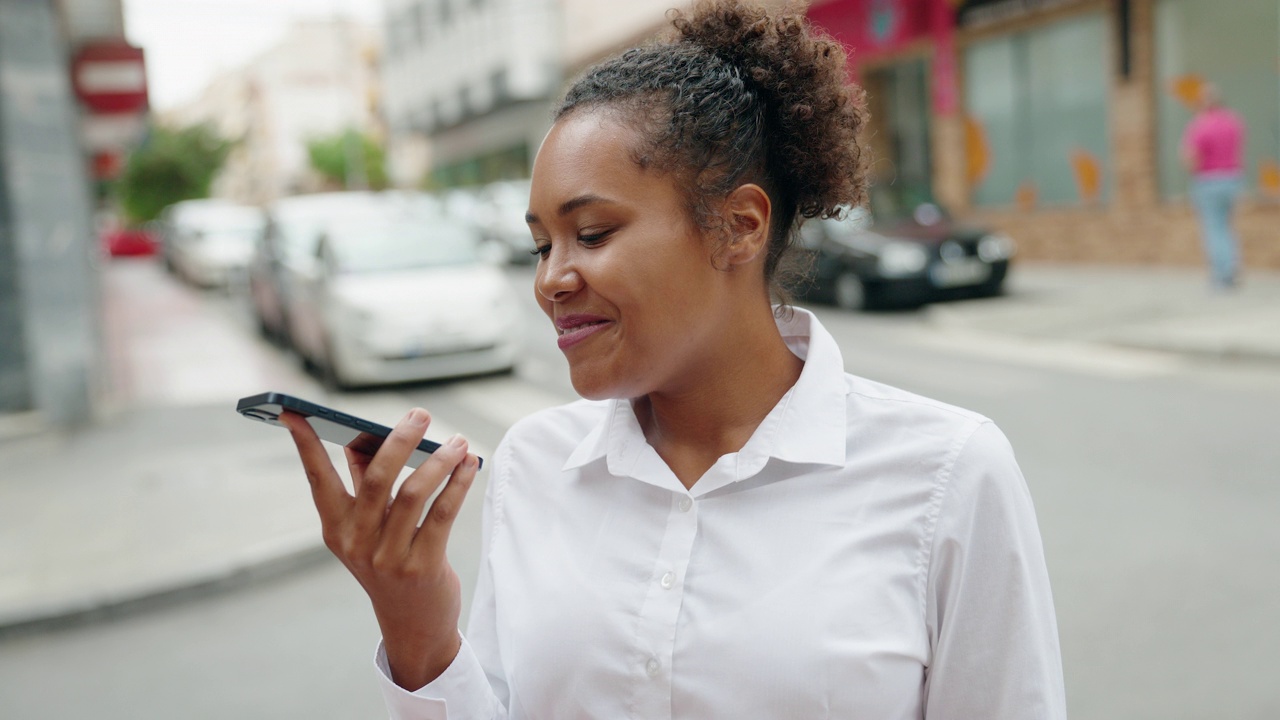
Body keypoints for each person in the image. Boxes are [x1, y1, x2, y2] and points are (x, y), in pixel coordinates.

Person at [280, 2, 1067, 717]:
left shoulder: (946, 474)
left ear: (739, 226)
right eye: (540, 244)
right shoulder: (534, 466)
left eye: (591, 234)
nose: (552, 279)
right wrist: (418, 634)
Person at [1181, 83, 1247, 290]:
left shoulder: (1201, 125)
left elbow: (1190, 157)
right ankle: (1232, 266)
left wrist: (1192, 171)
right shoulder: (1234, 121)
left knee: (1214, 228)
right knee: (1226, 226)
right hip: (1232, 178)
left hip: (1209, 180)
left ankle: (1222, 274)